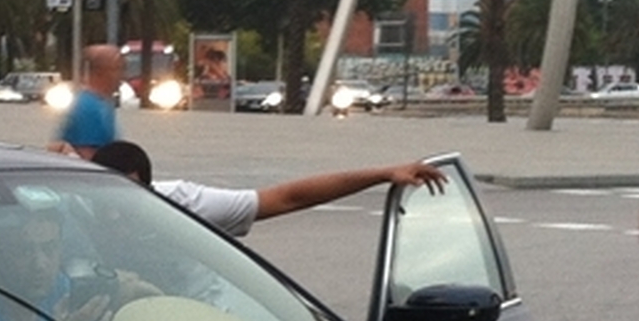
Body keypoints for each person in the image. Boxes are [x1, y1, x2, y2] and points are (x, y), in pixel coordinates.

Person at [89, 140, 447, 237]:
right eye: (108, 203)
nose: (116, 214)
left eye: (129, 200)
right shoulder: (71, 212)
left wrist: (385, 173)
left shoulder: (183, 205)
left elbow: (287, 198)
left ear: (151, 191)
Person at [47, 43, 124, 157]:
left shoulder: (102, 104)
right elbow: (88, 158)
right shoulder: (89, 109)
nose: (122, 75)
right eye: (117, 68)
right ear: (102, 71)